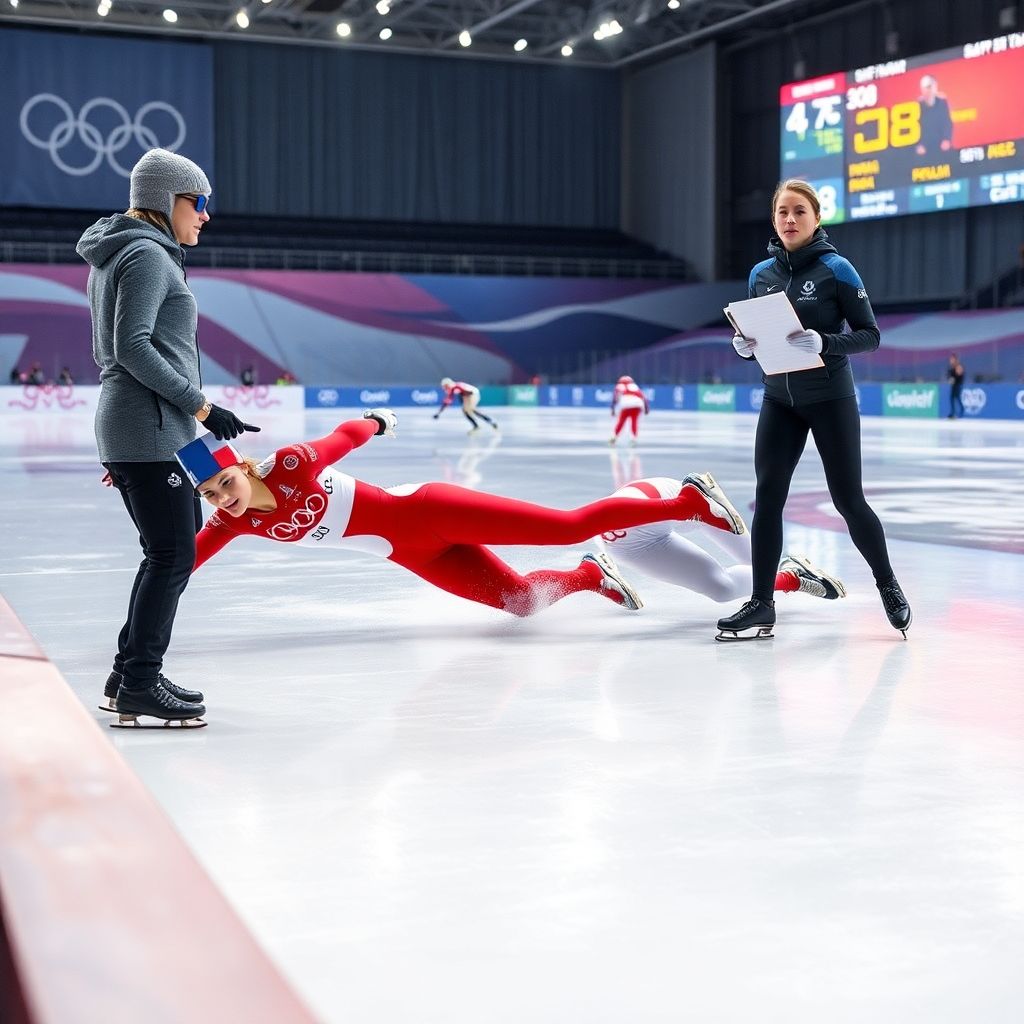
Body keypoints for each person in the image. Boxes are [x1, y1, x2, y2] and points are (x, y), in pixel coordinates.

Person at [176, 411, 748, 619]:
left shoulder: (291, 465)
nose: (222, 498)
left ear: (244, 467)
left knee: (568, 524)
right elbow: (181, 562)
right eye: (209, 494)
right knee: (523, 604)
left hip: (429, 511)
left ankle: (687, 502)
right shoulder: (230, 522)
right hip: (412, 554)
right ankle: (591, 575)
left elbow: (342, 437)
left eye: (225, 482)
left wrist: (375, 421)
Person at [77, 147, 261, 728]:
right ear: (167, 199)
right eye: (200, 203)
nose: (206, 215)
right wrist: (201, 405)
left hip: (149, 428)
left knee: (168, 552)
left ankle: (129, 676)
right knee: (173, 554)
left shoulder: (118, 254)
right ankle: (138, 682)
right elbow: (131, 347)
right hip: (151, 425)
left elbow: (114, 348)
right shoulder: (149, 257)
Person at [720, 178, 910, 640]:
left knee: (848, 501)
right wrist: (745, 345)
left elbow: (870, 334)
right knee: (768, 498)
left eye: (799, 212)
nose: (789, 219)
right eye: (782, 211)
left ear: (816, 218)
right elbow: (759, 335)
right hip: (778, 399)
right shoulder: (760, 274)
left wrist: (826, 342)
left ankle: (887, 583)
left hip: (830, 398)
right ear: (774, 219)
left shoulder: (836, 269)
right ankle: (762, 604)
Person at [595, 476, 846, 615]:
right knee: (721, 590)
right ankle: (793, 577)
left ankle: (700, 498)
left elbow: (572, 527)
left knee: (756, 560)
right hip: (629, 543)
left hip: (662, 499)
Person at [434, 377, 498, 433]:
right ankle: (477, 425)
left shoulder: (457, 386)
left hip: (473, 394)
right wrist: (439, 413)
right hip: (466, 395)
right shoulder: (453, 389)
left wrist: (465, 399)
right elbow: (447, 401)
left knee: (471, 409)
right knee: (465, 410)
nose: (445, 388)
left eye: (446, 386)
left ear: (448, 384)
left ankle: (489, 421)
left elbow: (469, 392)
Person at [915, 75, 953, 156]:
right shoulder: (917, 106)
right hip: (924, 147)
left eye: (930, 87)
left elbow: (947, 123)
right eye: (924, 88)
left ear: (935, 87)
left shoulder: (942, 103)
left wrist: (946, 139)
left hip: (941, 144)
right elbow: (914, 130)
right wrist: (919, 145)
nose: (927, 90)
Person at [609, 375, 649, 446]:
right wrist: (646, 409)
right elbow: (644, 398)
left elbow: (615, 398)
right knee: (634, 421)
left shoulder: (619, 386)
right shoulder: (635, 386)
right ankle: (633, 438)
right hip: (637, 404)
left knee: (621, 421)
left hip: (626, 404)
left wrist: (612, 409)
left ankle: (614, 437)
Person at [947, 353, 965, 418]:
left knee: (956, 398)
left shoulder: (958, 366)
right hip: (953, 385)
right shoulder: (951, 367)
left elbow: (959, 375)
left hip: (958, 385)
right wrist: (950, 379)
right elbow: (950, 376)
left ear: (955, 359)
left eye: (952, 359)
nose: (950, 360)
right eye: (950, 359)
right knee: (952, 398)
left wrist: (953, 378)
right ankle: (953, 413)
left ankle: (960, 410)